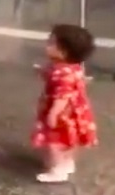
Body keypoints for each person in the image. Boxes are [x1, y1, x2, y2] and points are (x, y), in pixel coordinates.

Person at [32, 24, 98, 183]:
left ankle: (57, 169)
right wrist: (44, 72)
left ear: (64, 51)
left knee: (55, 141)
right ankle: (67, 162)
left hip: (63, 113)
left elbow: (62, 95)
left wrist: (54, 112)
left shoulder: (61, 72)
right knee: (70, 138)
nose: (46, 45)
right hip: (75, 112)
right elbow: (73, 82)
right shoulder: (71, 68)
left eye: (51, 43)